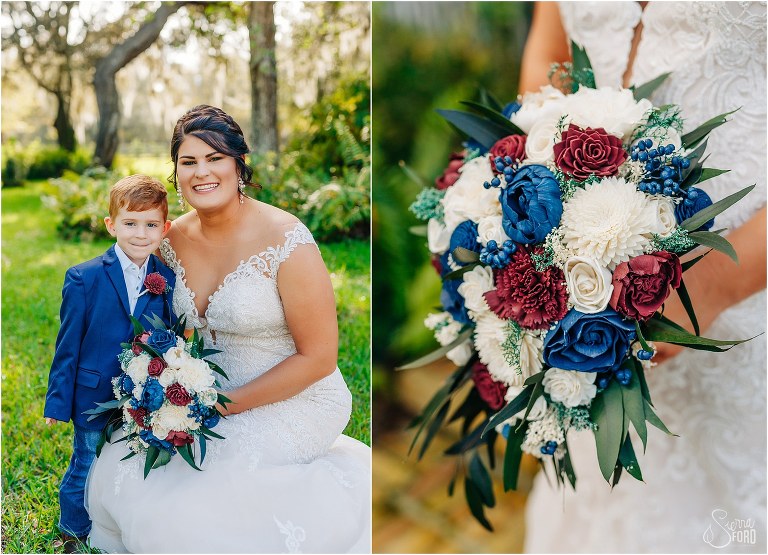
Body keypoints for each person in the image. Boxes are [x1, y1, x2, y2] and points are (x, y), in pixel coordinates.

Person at [518, 2, 767, 552]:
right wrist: (536, 189)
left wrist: (718, 284)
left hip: (747, 305)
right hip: (589, 303)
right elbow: (550, 51)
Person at [85, 105, 371, 553]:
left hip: (298, 396)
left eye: (214, 158)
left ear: (239, 163)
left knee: (208, 487)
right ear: (176, 173)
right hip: (199, 396)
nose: (202, 172)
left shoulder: (287, 240)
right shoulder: (169, 237)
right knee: (137, 465)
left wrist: (219, 406)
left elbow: (319, 358)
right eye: (188, 162)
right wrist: (156, 384)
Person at [43, 175, 175, 553]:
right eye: (130, 223)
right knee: (85, 460)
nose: (140, 233)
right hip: (91, 393)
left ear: (164, 229)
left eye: (151, 225)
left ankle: (115, 522)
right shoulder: (84, 278)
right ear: (110, 224)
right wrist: (57, 402)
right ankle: (71, 529)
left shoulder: (164, 279)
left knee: (126, 460)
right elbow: (67, 346)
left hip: (141, 398)